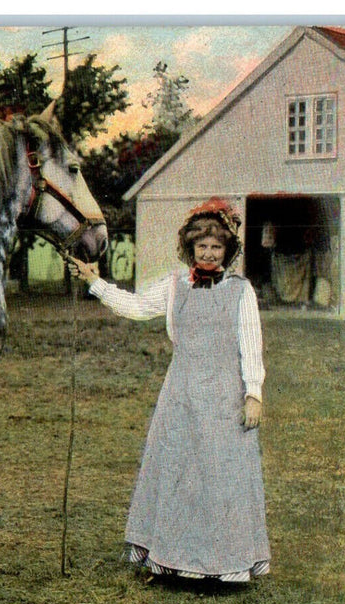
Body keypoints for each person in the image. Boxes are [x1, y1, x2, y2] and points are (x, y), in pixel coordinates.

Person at [68, 197, 270, 583]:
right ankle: (172, 558)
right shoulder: (175, 286)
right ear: (190, 249)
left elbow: (251, 343)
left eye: (216, 248)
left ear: (228, 251)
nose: (209, 254)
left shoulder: (241, 291)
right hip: (181, 394)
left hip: (225, 396)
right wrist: (95, 282)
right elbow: (137, 307)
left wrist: (253, 393)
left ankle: (225, 565)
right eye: (202, 247)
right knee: (179, 471)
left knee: (220, 475)